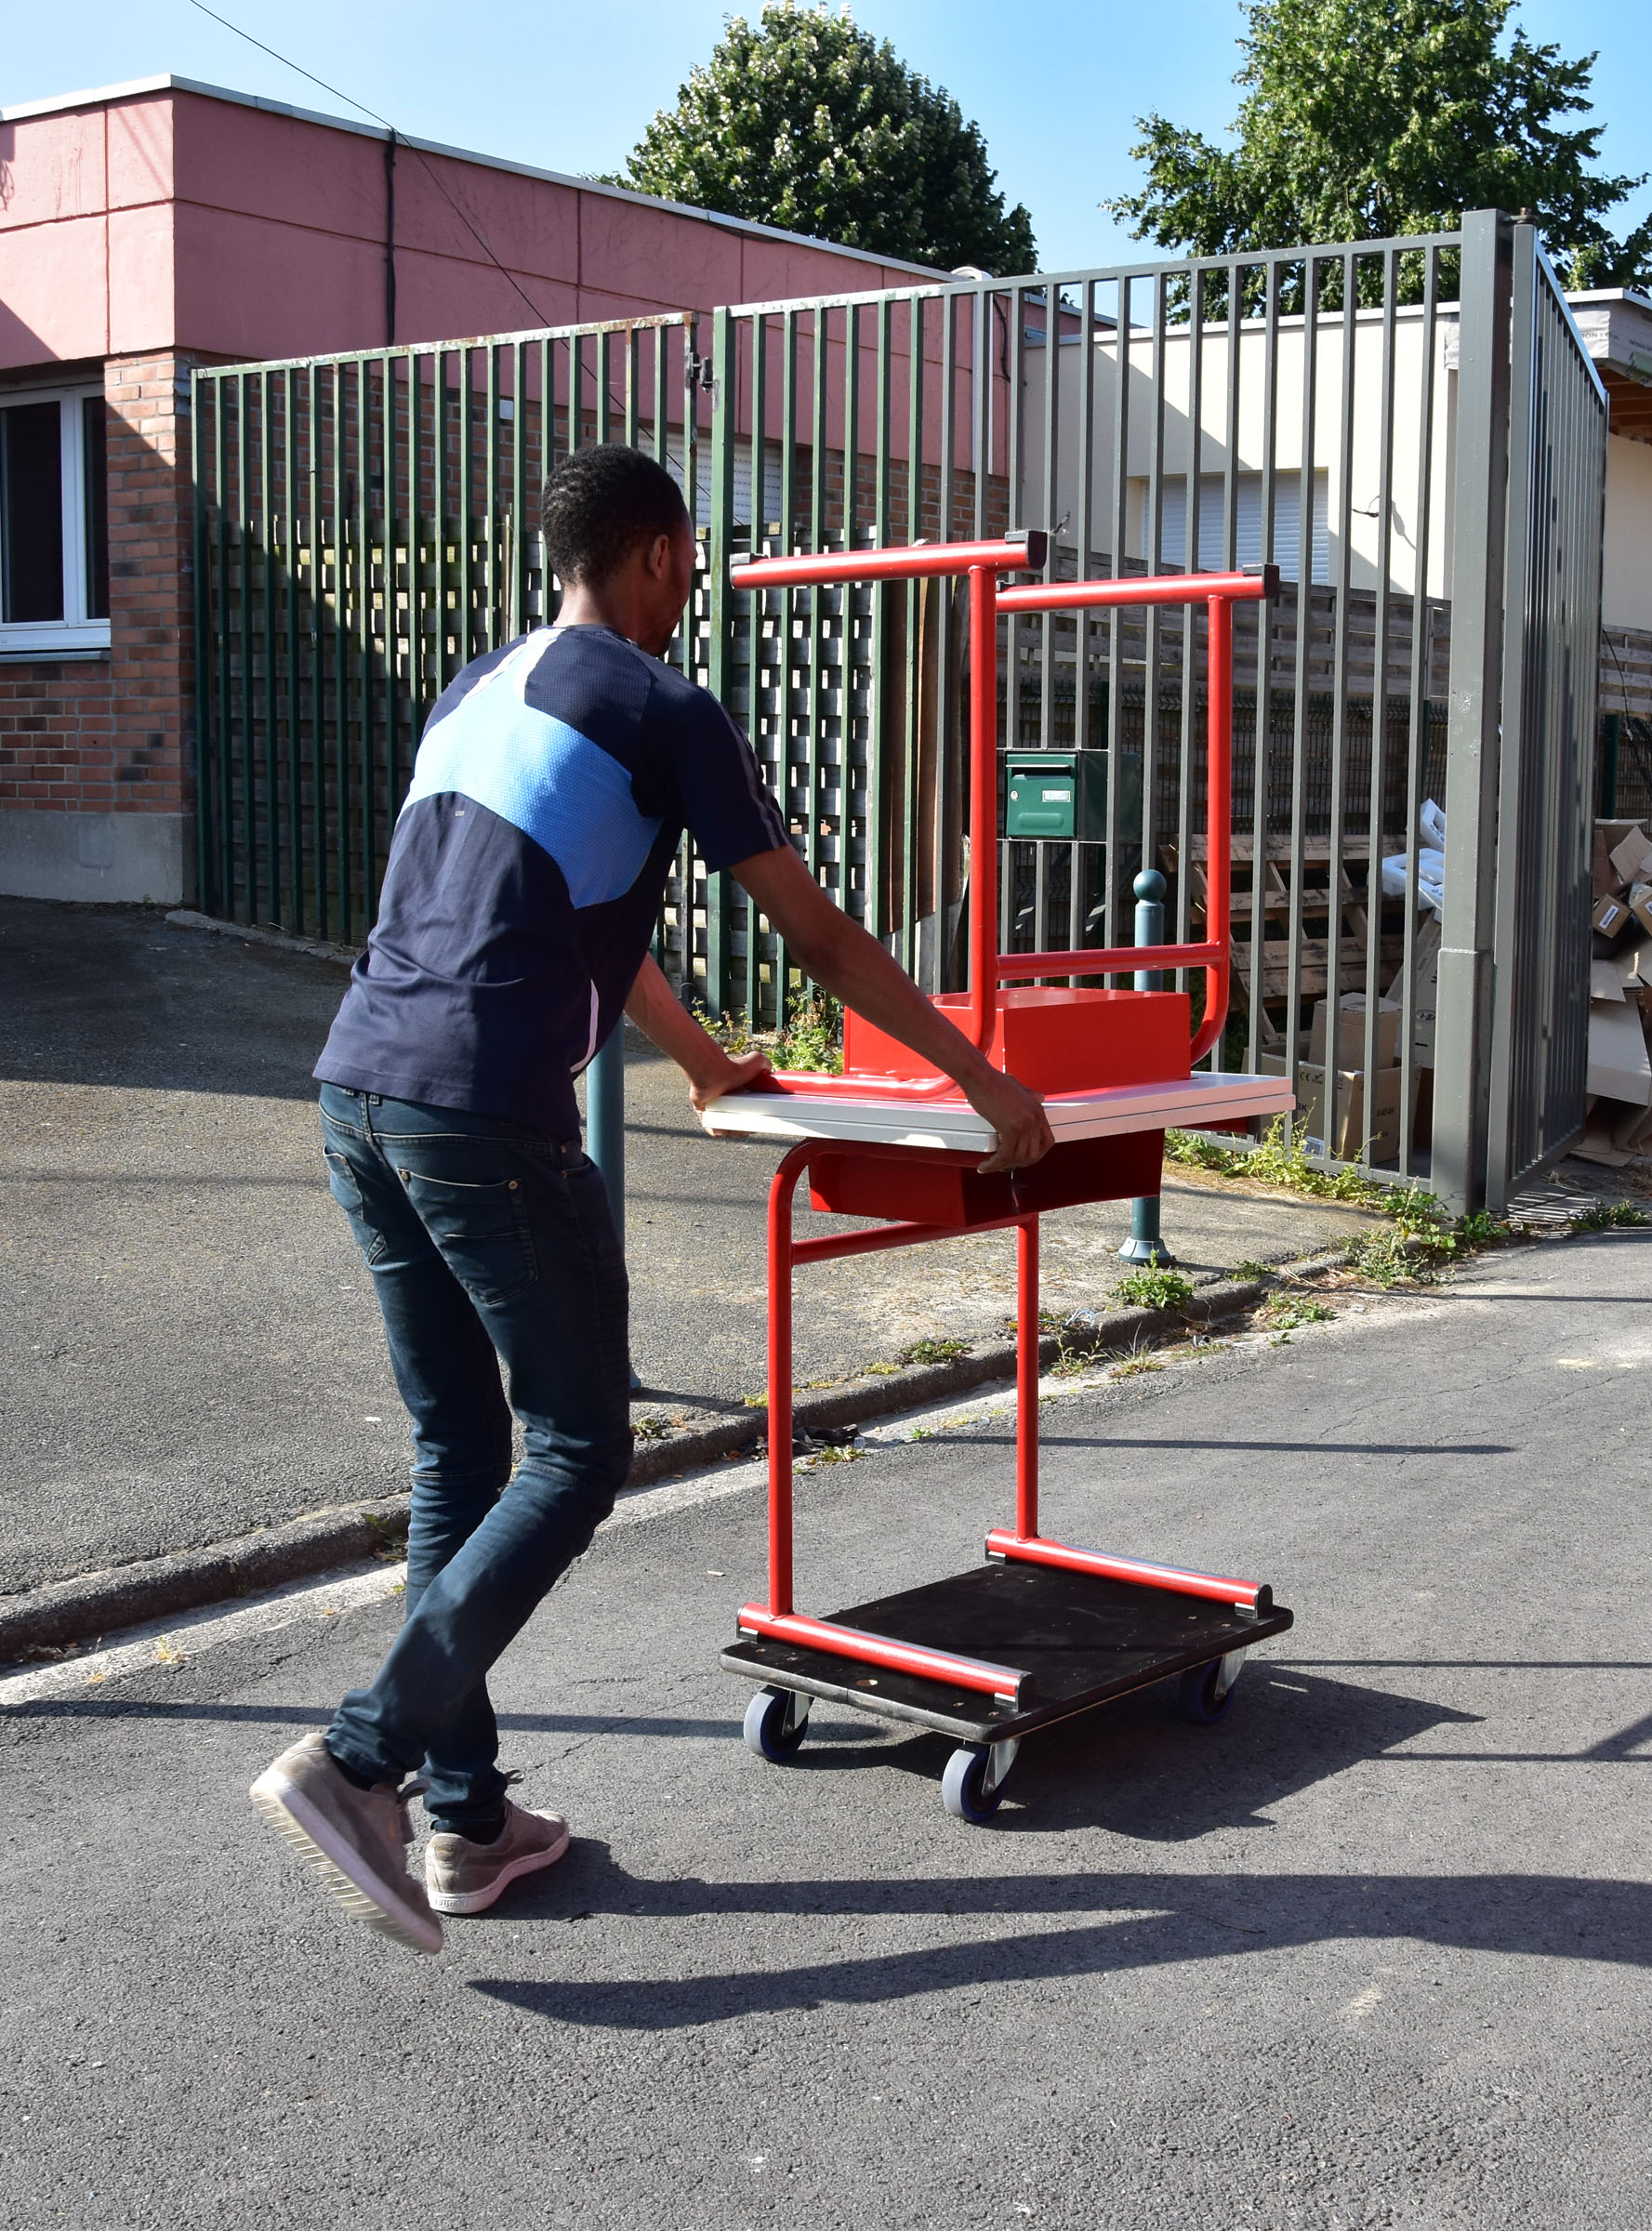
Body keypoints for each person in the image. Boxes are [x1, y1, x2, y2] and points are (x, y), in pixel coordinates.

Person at [251, 445, 1054, 1953]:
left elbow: (560, 919)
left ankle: (461, 1821)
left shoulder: (473, 691)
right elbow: (816, 933)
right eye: (690, 564)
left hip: (357, 1089)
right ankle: (361, 1761)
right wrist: (982, 1082)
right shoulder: (662, 706)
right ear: (663, 557)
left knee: (459, 1453)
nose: (691, 587)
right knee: (576, 1448)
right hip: (485, 1114)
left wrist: (701, 1062)